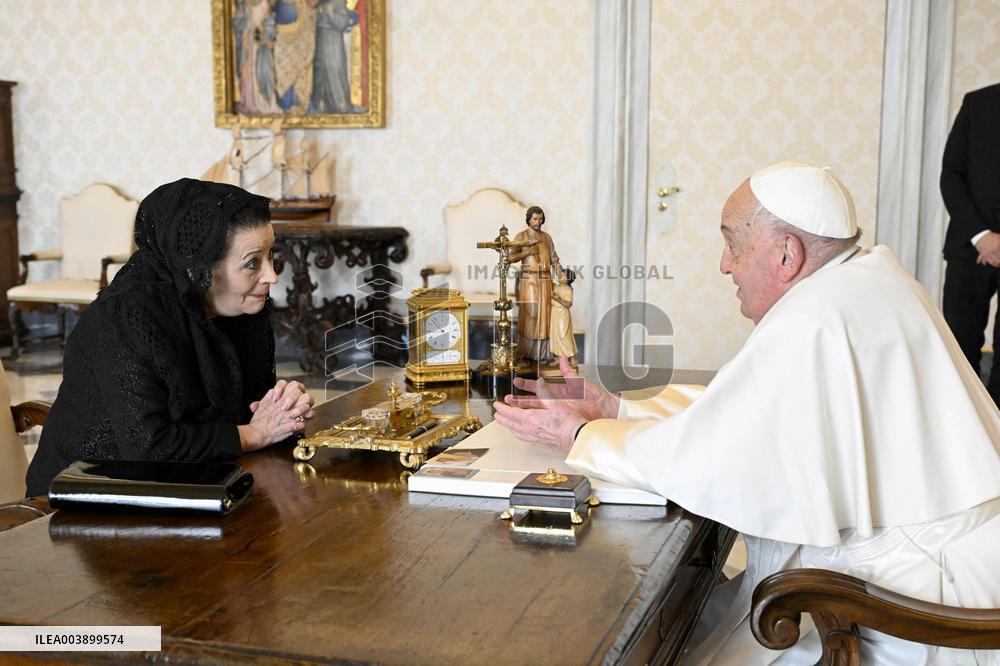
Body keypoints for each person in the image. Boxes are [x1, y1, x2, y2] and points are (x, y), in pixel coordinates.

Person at [494, 161, 1000, 664]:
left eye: (733, 244)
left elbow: (715, 455)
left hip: (908, 614)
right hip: (913, 578)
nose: (724, 265)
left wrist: (582, 435)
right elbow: (751, 415)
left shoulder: (814, 319)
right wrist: (615, 407)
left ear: (787, 254)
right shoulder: (865, 278)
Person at [25, 179, 316, 497]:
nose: (271, 275)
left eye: (270, 256)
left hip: (184, 487)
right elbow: (149, 448)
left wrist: (281, 407)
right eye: (252, 263)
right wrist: (254, 434)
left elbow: (244, 413)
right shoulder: (124, 317)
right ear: (195, 269)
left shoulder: (236, 307)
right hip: (76, 506)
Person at [941, 82, 1000, 405]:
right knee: (959, 347)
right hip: (969, 246)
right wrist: (983, 238)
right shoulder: (977, 103)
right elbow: (950, 175)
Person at [509, 205, 563, 363]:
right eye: (534, 218)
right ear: (529, 220)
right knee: (531, 314)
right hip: (529, 280)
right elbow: (509, 258)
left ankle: (543, 354)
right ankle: (526, 352)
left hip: (546, 280)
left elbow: (554, 259)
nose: (538, 221)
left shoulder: (546, 237)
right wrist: (527, 252)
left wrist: (561, 278)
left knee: (545, 316)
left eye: (540, 218)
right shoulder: (521, 236)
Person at [548, 268, 578, 368]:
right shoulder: (555, 286)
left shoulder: (568, 290)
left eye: (564, 275)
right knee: (555, 335)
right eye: (561, 274)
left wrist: (556, 298)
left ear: (568, 279)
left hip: (562, 314)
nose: (560, 275)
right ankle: (559, 358)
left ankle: (573, 358)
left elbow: (568, 304)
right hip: (554, 313)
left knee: (564, 336)